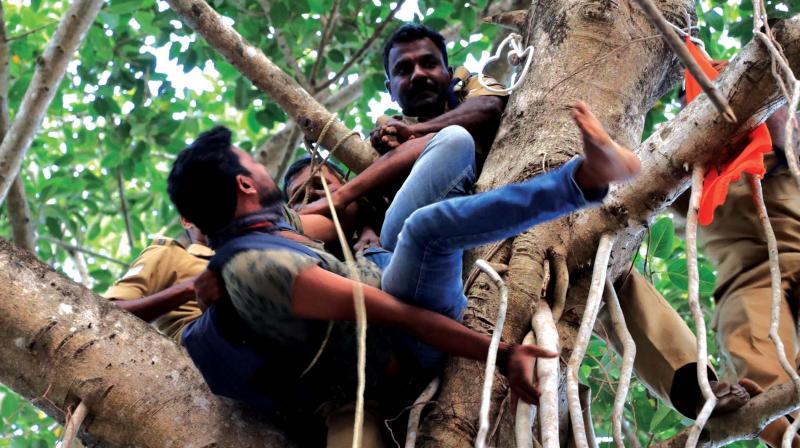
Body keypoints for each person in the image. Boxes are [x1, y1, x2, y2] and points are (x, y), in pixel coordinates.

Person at [168, 101, 639, 444]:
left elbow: (335, 211)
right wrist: (503, 354)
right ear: (245, 184)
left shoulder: (268, 228)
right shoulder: (260, 269)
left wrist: (369, 172)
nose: (263, 166)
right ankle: (584, 181)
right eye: (254, 161)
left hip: (387, 270)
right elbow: (400, 317)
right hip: (405, 345)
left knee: (452, 142)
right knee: (425, 229)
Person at [702, 105, 800, 447]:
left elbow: (783, 122)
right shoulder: (695, 176)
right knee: (760, 364)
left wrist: (758, 102)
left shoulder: (785, 149)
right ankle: (788, 435)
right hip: (747, 280)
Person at [104, 218, 212, 343]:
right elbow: (109, 311)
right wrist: (190, 288)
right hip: (201, 339)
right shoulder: (170, 254)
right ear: (187, 220)